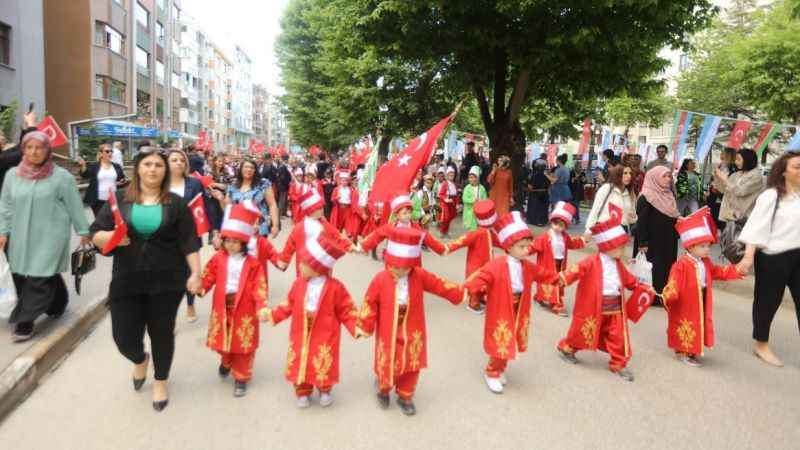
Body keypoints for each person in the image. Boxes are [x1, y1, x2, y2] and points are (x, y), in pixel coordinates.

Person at [89, 147, 202, 411]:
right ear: (138, 169)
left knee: (162, 333)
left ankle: (161, 380)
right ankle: (140, 359)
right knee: (124, 338)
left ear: (165, 171)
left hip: (168, 280)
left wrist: (196, 273)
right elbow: (96, 231)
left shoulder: (176, 204)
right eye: (147, 164)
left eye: (158, 165)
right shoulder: (119, 199)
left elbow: (189, 242)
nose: (152, 169)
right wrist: (104, 238)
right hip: (127, 279)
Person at [357, 226, 464, 415]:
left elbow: (439, 285)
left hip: (413, 328)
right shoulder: (380, 279)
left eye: (406, 267)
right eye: (396, 266)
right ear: (389, 260)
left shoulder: (419, 275)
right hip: (388, 329)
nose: (401, 270)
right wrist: (365, 326)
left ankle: (405, 395)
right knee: (388, 360)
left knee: (412, 363)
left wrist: (460, 293)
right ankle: (383, 389)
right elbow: (369, 303)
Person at [0, 131, 91, 342]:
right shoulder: (12, 175)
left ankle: (25, 320)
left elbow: (74, 205)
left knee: (39, 275)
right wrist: (2, 230)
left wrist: (83, 231)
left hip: (51, 235)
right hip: (20, 234)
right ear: (23, 149)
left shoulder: (61, 177)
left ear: (48, 150)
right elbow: (5, 206)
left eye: (39, 147)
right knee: (24, 274)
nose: (34, 152)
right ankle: (58, 301)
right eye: (29, 147)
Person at [464, 211, 559, 394]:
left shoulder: (527, 266)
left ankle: (500, 369)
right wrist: (462, 290)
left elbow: (545, 275)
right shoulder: (497, 265)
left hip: (519, 307)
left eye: (527, 246)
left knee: (512, 338)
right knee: (502, 340)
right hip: (501, 308)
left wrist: (564, 277)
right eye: (522, 247)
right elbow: (480, 277)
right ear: (509, 246)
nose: (527, 250)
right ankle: (492, 372)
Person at [557, 212, 655, 382]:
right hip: (593, 307)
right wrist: (561, 279)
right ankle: (568, 347)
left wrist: (642, 287)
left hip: (615, 307)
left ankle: (619, 363)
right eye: (620, 247)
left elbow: (629, 280)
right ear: (606, 246)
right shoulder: (591, 262)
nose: (622, 251)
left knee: (618, 336)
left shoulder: (618, 265)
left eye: (623, 247)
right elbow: (575, 271)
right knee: (582, 331)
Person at [263, 233, 357, 408]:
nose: (300, 265)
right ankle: (302, 391)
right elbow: (288, 304)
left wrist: (357, 327)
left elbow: (347, 310)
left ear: (318, 267)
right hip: (301, 329)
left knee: (322, 359)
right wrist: (272, 314)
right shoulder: (299, 284)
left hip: (325, 332)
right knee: (301, 358)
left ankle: (324, 389)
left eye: (304, 263)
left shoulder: (336, 287)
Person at [200, 203, 274, 397]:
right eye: (228, 240)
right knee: (223, 339)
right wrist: (200, 287)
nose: (231, 244)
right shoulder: (218, 259)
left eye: (236, 241)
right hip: (222, 306)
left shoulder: (253, 264)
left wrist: (261, 306)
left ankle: (241, 377)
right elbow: (208, 276)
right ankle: (226, 360)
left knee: (243, 343)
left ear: (243, 242)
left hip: (245, 308)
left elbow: (259, 286)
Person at [737, 151, 800, 367]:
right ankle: (761, 344)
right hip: (773, 257)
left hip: (798, 255)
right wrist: (747, 258)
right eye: (797, 167)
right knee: (767, 303)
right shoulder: (771, 196)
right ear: (783, 172)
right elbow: (756, 228)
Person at [661, 207, 743, 367]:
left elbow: (717, 272)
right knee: (685, 324)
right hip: (685, 302)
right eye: (703, 246)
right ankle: (682, 352)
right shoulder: (681, 265)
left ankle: (692, 351)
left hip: (702, 298)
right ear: (690, 246)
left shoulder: (705, 262)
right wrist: (669, 295)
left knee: (698, 323)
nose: (707, 250)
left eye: (708, 246)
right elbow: (673, 283)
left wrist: (737, 270)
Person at [167, 149, 207, 322]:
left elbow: (203, 207)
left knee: (190, 271)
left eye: (181, 160)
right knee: (169, 275)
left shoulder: (194, 183)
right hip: (166, 236)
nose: (178, 163)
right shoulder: (160, 184)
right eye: (174, 160)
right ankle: (170, 312)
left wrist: (214, 229)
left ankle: (190, 304)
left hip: (189, 234)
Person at [528, 202, 585, 316]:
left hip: (560, 264)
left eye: (561, 225)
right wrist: (522, 250)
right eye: (555, 224)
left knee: (558, 282)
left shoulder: (565, 237)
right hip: (547, 264)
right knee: (547, 281)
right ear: (551, 222)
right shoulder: (544, 237)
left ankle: (548, 299)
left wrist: (583, 240)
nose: (558, 227)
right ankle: (556, 304)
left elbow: (572, 244)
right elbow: (533, 247)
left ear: (565, 226)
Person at [279, 189, 352, 275]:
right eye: (319, 208)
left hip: (323, 263)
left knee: (324, 285)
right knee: (304, 286)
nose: (322, 210)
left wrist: (350, 246)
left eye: (322, 207)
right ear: (310, 211)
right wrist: (284, 260)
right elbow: (290, 245)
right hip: (305, 265)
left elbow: (337, 236)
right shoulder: (299, 228)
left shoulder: (324, 224)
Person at [360, 193, 447, 265]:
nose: (408, 216)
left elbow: (428, 238)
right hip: (395, 262)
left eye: (409, 213)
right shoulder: (391, 227)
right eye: (404, 213)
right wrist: (363, 246)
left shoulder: (415, 227)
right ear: (397, 215)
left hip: (411, 261)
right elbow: (376, 235)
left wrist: (441, 249)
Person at [447, 200, 501, 314]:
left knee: (484, 281)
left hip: (486, 262)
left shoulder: (489, 232)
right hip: (475, 264)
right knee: (476, 283)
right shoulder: (477, 234)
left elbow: (498, 242)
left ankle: (481, 299)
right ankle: (473, 304)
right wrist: (447, 248)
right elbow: (461, 241)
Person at [635, 166, 680, 303]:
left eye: (669, 176)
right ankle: (651, 297)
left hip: (669, 239)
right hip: (653, 242)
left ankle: (663, 295)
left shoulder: (669, 195)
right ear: (654, 178)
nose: (668, 179)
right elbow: (641, 222)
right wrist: (642, 242)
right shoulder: (646, 197)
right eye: (664, 176)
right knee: (654, 269)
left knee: (667, 267)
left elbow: (673, 216)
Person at [226, 159, 279, 239]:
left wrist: (275, 225)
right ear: (241, 169)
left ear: (255, 170)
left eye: (252, 168)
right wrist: (220, 198)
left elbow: (272, 205)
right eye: (246, 167)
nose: (249, 170)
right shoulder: (233, 185)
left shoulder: (263, 184)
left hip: (259, 228)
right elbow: (228, 208)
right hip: (239, 228)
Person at [585, 165, 637, 235]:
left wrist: (634, 217)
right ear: (617, 174)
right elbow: (595, 209)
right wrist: (588, 229)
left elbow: (631, 217)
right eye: (625, 173)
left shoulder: (630, 193)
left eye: (630, 173)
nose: (629, 176)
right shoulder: (607, 188)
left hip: (622, 230)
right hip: (606, 228)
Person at [716, 148, 764, 225]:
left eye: (738, 159)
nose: (735, 162)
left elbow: (740, 191)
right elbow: (723, 190)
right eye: (735, 159)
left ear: (748, 160)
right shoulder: (737, 174)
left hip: (745, 217)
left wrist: (725, 179)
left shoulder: (756, 176)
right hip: (730, 215)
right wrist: (718, 178)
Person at [78, 143, 127, 216]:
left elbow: (122, 178)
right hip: (98, 201)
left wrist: (122, 181)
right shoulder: (95, 166)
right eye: (107, 151)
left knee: (113, 221)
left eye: (111, 151)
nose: (110, 153)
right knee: (100, 222)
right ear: (101, 153)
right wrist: (83, 165)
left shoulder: (116, 166)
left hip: (113, 199)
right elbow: (85, 175)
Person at [0, 111, 38, 193]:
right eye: (0, 135)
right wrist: (32, 124)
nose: (3, 138)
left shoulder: (3, 155)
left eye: (2, 135)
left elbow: (20, 147)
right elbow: (26, 153)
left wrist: (25, 128)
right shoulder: (3, 159)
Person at [707, 147, 737, 230]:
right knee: (713, 217)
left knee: (721, 220)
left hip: (723, 197)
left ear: (728, 155)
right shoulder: (720, 165)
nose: (721, 154)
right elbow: (713, 179)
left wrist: (718, 191)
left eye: (723, 153)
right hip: (713, 196)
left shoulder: (733, 167)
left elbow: (730, 183)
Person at [461, 166, 488, 231]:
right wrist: (473, 200)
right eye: (469, 177)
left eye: (472, 178)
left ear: (477, 178)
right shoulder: (467, 188)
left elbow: (485, 200)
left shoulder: (482, 188)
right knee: (471, 231)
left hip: (479, 213)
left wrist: (481, 202)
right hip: (470, 213)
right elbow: (464, 199)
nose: (470, 179)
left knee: (478, 230)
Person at [525, 158, 550, 226]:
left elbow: (530, 187)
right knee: (542, 208)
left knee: (534, 207)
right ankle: (542, 221)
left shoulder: (534, 176)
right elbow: (550, 185)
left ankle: (533, 220)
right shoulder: (547, 176)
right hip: (544, 194)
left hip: (535, 194)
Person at [437, 167, 459, 238]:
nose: (451, 176)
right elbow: (440, 194)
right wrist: (445, 199)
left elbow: (456, 196)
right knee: (445, 218)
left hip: (452, 204)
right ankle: (442, 231)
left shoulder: (454, 184)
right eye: (450, 175)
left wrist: (457, 204)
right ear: (447, 175)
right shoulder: (445, 184)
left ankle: (446, 231)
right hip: (445, 203)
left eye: (452, 175)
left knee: (450, 218)